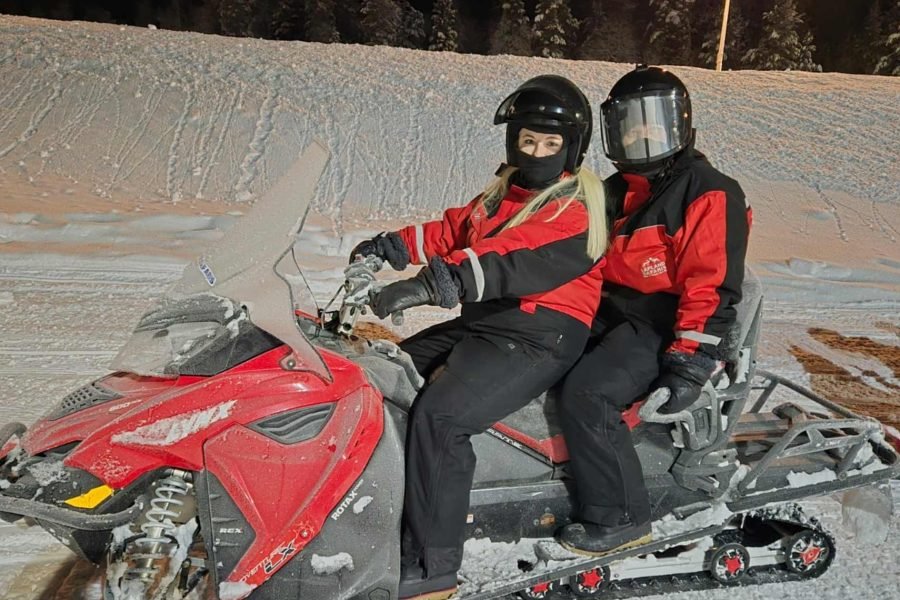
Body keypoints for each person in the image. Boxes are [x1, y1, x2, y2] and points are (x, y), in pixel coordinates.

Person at [350, 75, 607, 600]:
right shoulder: (500, 195)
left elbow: (507, 259)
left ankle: (433, 569)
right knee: (385, 373)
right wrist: (389, 247)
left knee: (443, 419)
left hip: (542, 334)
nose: (535, 152)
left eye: (550, 144)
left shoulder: (574, 209)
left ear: (572, 149)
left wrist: (427, 285)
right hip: (489, 323)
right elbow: (453, 231)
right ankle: (389, 504)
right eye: (528, 140)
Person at [555, 65, 752, 556]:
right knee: (540, 350)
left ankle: (621, 516)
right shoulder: (616, 190)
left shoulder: (708, 190)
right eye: (628, 125)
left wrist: (689, 364)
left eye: (652, 123)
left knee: (589, 392)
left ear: (678, 125)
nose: (640, 136)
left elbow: (711, 285)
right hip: (612, 309)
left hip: (662, 320)